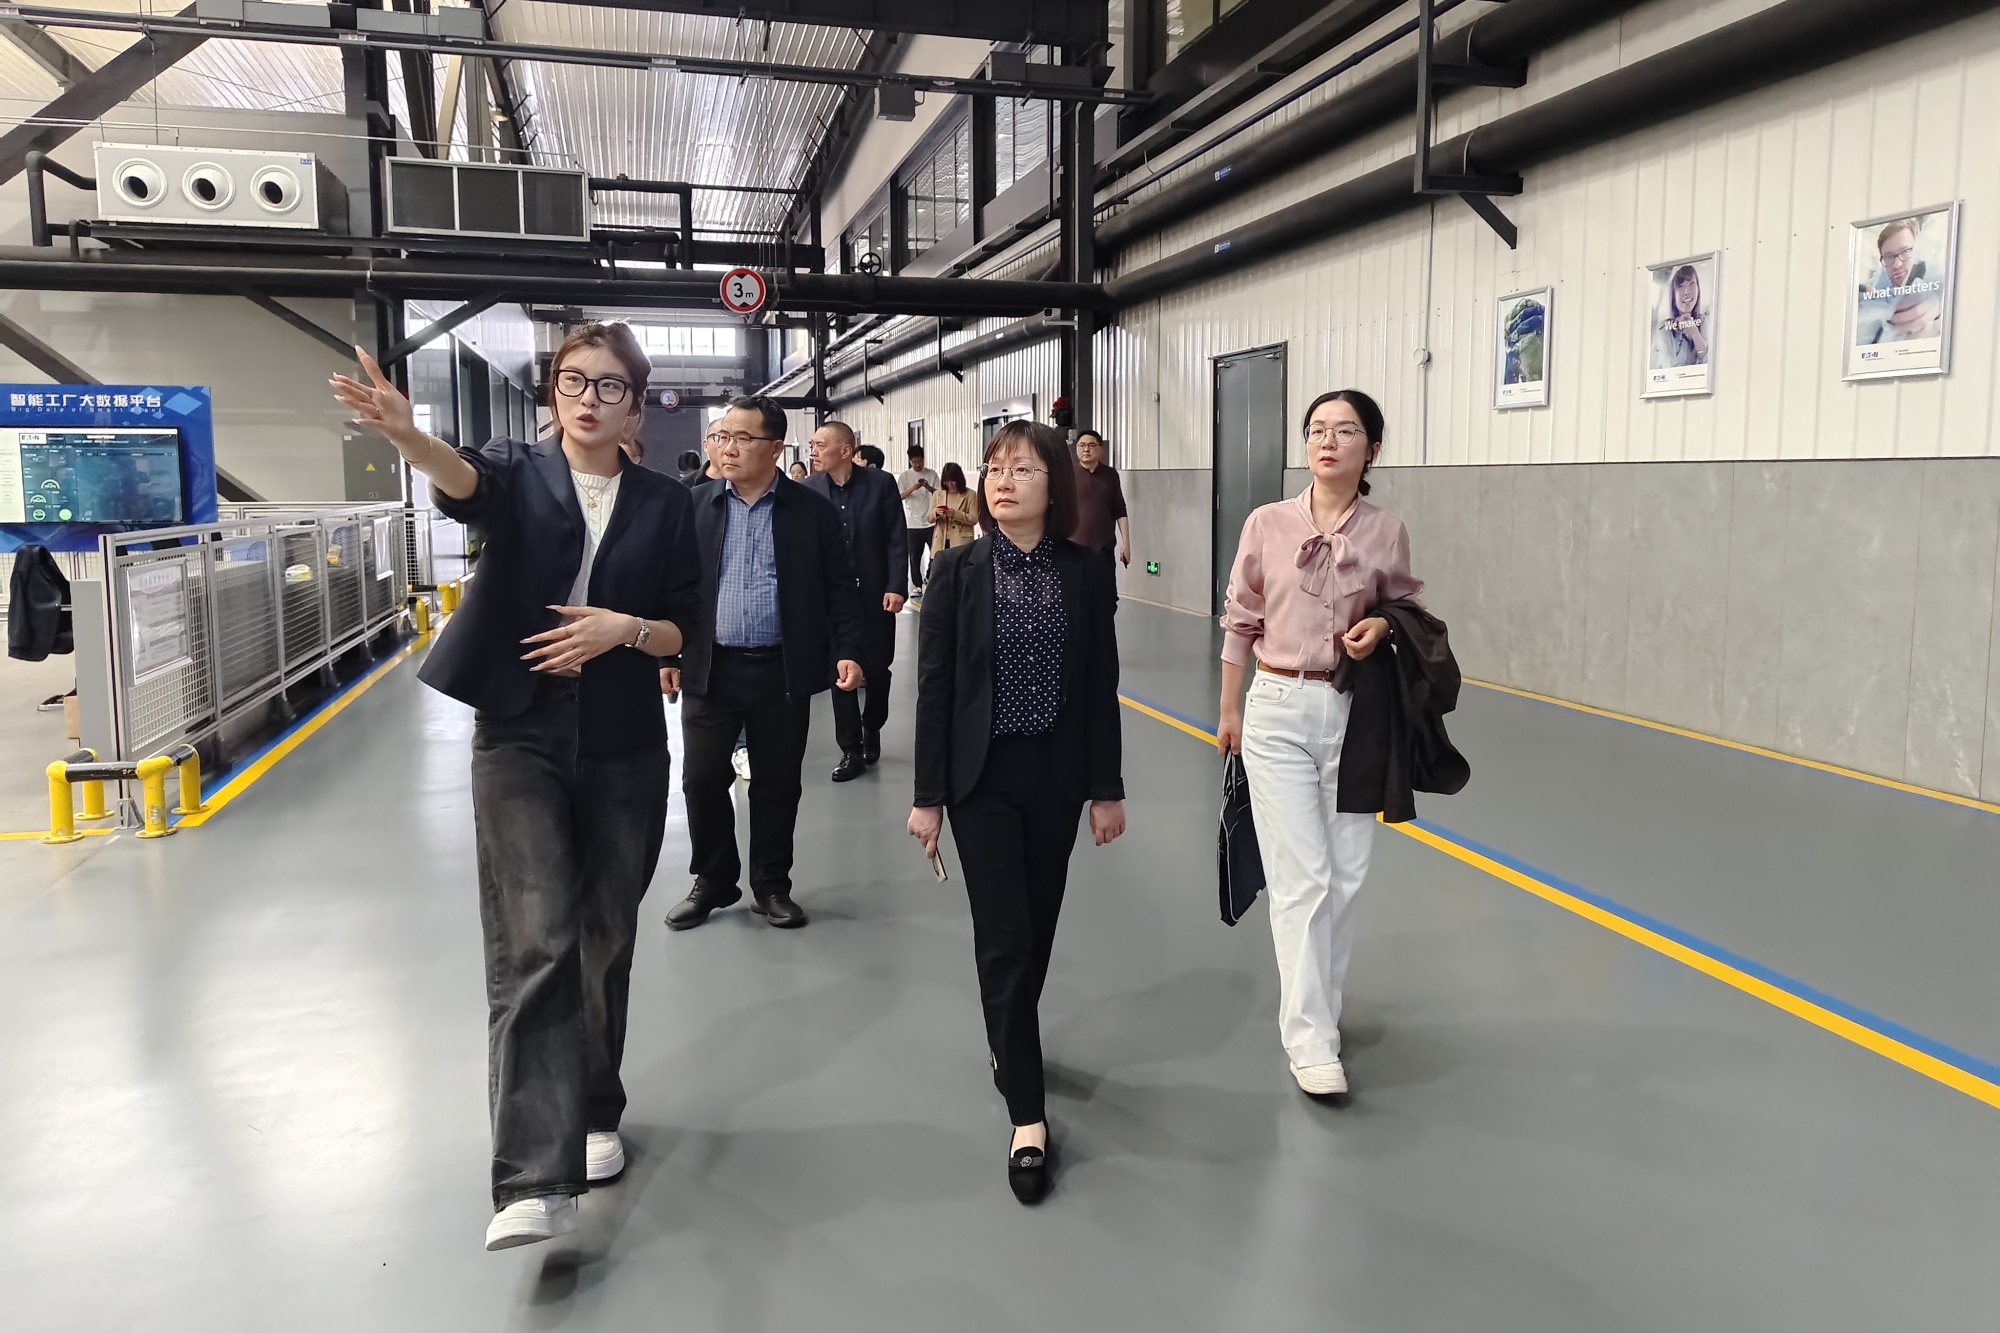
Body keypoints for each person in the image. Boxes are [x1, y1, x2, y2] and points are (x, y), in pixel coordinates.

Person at [331, 324, 701, 1251]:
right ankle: (534, 1174)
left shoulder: (666, 502)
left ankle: (597, 1105)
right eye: (574, 381)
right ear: (553, 392)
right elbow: (464, 485)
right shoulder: (516, 471)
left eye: (609, 386)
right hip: (519, 730)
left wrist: (624, 628)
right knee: (536, 935)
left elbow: (683, 628)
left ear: (636, 405)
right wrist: (409, 436)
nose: (589, 399)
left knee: (605, 934)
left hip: (623, 738)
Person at [907, 420, 1125, 1205]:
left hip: (1056, 779)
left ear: (1053, 484)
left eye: (1023, 469)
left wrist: (1107, 787)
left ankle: (1008, 1036)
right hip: (982, 781)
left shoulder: (1084, 570)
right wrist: (928, 796)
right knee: (1003, 936)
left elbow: (1099, 685)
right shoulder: (956, 570)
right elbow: (935, 688)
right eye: (995, 468)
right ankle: (1027, 1116)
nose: (1003, 481)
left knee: (1036, 928)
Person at [1213, 389, 1425, 1102]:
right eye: (1317, 429)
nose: (1327, 441)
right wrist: (1229, 707)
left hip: (1356, 711)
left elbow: (1405, 608)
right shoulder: (1267, 523)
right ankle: (1308, 1037)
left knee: (1346, 876)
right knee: (1302, 879)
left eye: (1346, 430)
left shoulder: (1387, 531)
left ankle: (1321, 1014)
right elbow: (1240, 618)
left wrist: (1383, 627)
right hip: (1276, 707)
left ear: (1372, 449)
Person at [661, 396, 865, 932]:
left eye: (743, 438)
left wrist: (848, 649)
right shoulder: (695, 506)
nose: (727, 448)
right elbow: (671, 588)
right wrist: (666, 654)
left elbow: (840, 588)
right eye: (721, 436)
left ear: (775, 449)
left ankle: (771, 884)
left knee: (777, 783)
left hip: (781, 669)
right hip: (710, 667)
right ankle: (713, 879)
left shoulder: (811, 512)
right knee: (702, 778)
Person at [806, 420, 908, 781]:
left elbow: (896, 538)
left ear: (845, 451)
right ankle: (850, 749)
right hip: (832, 598)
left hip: (875, 593)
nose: (813, 452)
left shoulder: (880, 484)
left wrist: (896, 585)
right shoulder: (809, 489)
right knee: (840, 670)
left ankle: (872, 725)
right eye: (812, 445)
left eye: (820, 445)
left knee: (877, 667)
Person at [1857, 217, 1943, 344]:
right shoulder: (1883, 275)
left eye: (1905, 251)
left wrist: (1938, 308)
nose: (1896, 264)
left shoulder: (1933, 272)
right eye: (1889, 256)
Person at [1070, 430, 1131, 575]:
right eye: (1082, 445)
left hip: (1103, 551)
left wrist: (1126, 544)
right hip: (1072, 551)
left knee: (1104, 589)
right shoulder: (1067, 474)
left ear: (1100, 448)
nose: (1086, 449)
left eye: (1091, 445)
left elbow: (1120, 510)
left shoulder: (1110, 475)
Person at [898, 444, 940, 590]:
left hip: (931, 521)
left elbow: (939, 493)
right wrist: (913, 488)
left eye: (920, 462)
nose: (917, 465)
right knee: (914, 557)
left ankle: (929, 576)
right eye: (914, 462)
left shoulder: (932, 474)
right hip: (912, 523)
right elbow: (900, 496)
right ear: (910, 461)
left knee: (935, 553)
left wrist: (927, 487)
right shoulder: (905, 476)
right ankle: (917, 585)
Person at [1652, 264, 1709, 367]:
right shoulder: (1664, 329)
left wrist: (1694, 332)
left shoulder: (1704, 321)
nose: (1687, 291)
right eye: (1681, 286)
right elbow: (1671, 366)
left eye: (1691, 283)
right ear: (1674, 295)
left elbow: (1709, 362)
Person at [930, 462, 978, 556]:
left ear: (959, 480)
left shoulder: (970, 494)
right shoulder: (938, 494)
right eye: (947, 482)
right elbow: (929, 518)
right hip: (941, 542)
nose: (950, 485)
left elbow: (974, 519)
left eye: (953, 481)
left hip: (961, 541)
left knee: (960, 564)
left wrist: (954, 514)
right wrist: (936, 512)